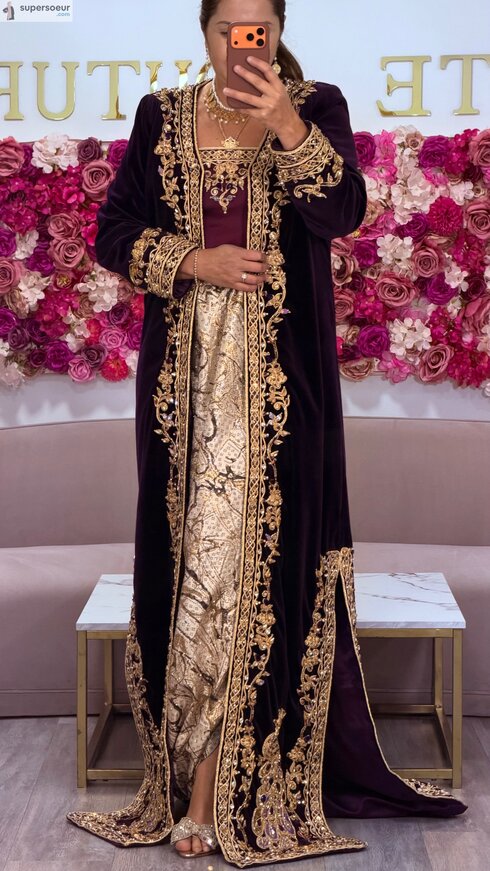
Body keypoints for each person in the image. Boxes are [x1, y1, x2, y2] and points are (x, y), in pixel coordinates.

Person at [66, 0, 468, 864]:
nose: (241, 45)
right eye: (227, 30)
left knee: (256, 570)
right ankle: (192, 774)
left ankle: (222, 787)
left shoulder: (317, 107)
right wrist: (192, 259)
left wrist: (285, 123)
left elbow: (344, 210)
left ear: (279, 33)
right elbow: (113, 233)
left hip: (285, 393)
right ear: (204, 32)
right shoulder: (162, 117)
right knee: (195, 570)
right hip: (185, 393)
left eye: (260, 31)